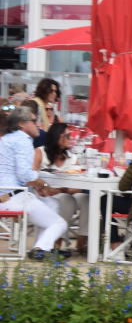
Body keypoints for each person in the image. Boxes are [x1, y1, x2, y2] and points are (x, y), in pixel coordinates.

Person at [0, 107, 69, 259]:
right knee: (60, 224)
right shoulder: (22, 140)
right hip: (15, 198)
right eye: (33, 121)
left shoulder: (6, 140)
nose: (38, 124)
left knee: (51, 204)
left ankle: (43, 246)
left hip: (6, 194)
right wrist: (43, 185)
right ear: (22, 124)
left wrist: (39, 185)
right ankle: (41, 249)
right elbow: (25, 174)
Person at [34, 122, 89, 253]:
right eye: (68, 135)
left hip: (67, 191)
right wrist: (45, 187)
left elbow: (80, 184)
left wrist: (61, 190)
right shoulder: (40, 152)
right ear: (57, 137)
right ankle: (56, 242)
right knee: (67, 200)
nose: (71, 138)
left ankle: (82, 240)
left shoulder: (72, 157)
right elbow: (32, 175)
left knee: (87, 199)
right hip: (45, 193)